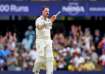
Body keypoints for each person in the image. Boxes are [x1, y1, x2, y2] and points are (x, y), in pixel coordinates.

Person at [33, 7, 57, 74]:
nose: (48, 12)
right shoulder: (38, 19)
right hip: (40, 41)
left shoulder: (48, 20)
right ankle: (36, 72)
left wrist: (50, 21)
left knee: (50, 58)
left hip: (48, 41)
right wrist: (49, 21)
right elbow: (39, 27)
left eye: (48, 11)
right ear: (42, 12)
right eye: (46, 11)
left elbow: (48, 28)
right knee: (40, 58)